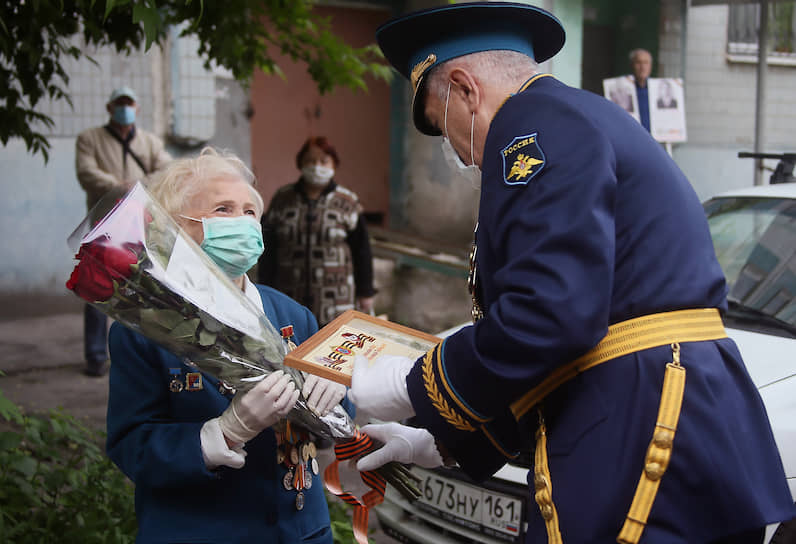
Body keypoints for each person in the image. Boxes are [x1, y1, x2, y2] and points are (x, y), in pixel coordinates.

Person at [347, 3, 796, 544]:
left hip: (645, 418)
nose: (459, 154)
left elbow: (550, 316)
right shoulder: (578, 119)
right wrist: (441, 442)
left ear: (465, 89)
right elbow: (568, 343)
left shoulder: (531, 125)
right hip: (660, 414)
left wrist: (407, 381)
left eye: (445, 130)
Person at [105, 148, 348, 543]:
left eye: (250, 212)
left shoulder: (292, 315)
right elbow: (132, 446)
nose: (243, 223)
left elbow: (331, 425)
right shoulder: (143, 329)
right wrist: (224, 433)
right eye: (223, 209)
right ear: (175, 229)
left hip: (299, 531)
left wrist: (339, 393)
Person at [75, 86, 172, 376]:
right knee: (96, 289)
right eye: (119, 104)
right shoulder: (90, 139)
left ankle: (140, 354)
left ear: (137, 109)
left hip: (141, 224)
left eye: (129, 104)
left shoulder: (150, 142)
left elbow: (166, 170)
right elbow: (86, 172)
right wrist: (120, 186)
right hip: (104, 224)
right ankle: (95, 356)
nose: (124, 109)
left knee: (143, 287)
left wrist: (137, 186)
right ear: (109, 108)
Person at [257, 136, 376, 327]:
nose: (316, 166)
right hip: (289, 295)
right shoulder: (283, 198)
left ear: (334, 164)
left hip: (334, 301)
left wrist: (366, 291)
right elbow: (268, 246)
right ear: (300, 163)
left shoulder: (347, 201)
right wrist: (264, 287)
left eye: (323, 161)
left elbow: (362, 251)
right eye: (310, 160)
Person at [629, 48, 653, 131]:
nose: (643, 67)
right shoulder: (624, 89)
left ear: (650, 66)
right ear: (632, 65)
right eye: (639, 63)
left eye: (646, 63)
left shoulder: (656, 90)